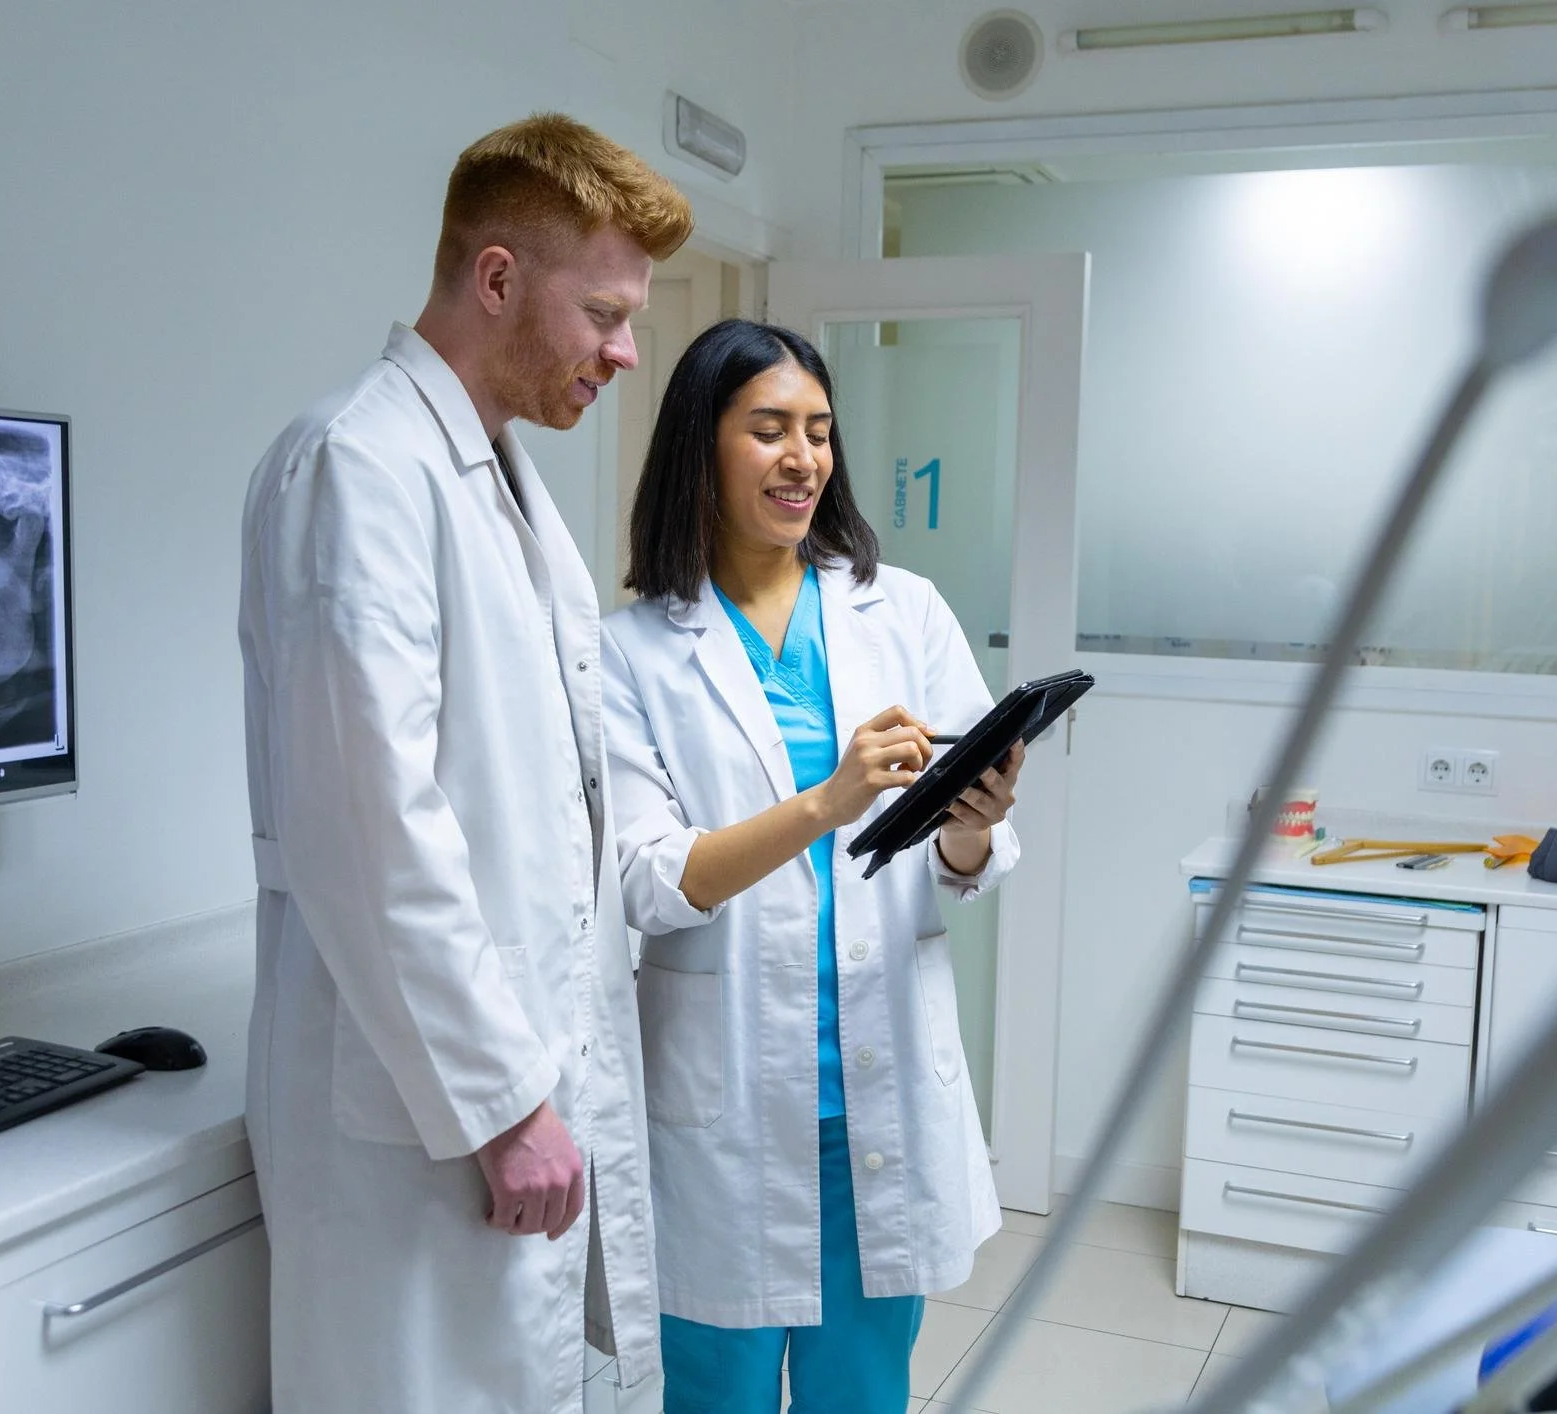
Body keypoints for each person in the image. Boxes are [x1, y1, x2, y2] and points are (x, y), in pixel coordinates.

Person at [236, 114, 691, 1414]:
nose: (624, 350)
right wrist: (499, 1102)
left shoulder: (505, 486)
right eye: (603, 311)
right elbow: (368, 821)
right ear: (496, 278)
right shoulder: (360, 466)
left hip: (508, 1074)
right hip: (422, 1110)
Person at [601, 319, 1026, 1412]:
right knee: (718, 1394)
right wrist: (829, 802)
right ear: (703, 445)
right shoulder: (633, 650)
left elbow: (968, 859)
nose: (804, 459)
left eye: (821, 432)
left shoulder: (905, 611)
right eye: (770, 429)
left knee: (860, 1392)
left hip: (874, 1096)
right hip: (727, 1102)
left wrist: (974, 818)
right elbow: (653, 879)